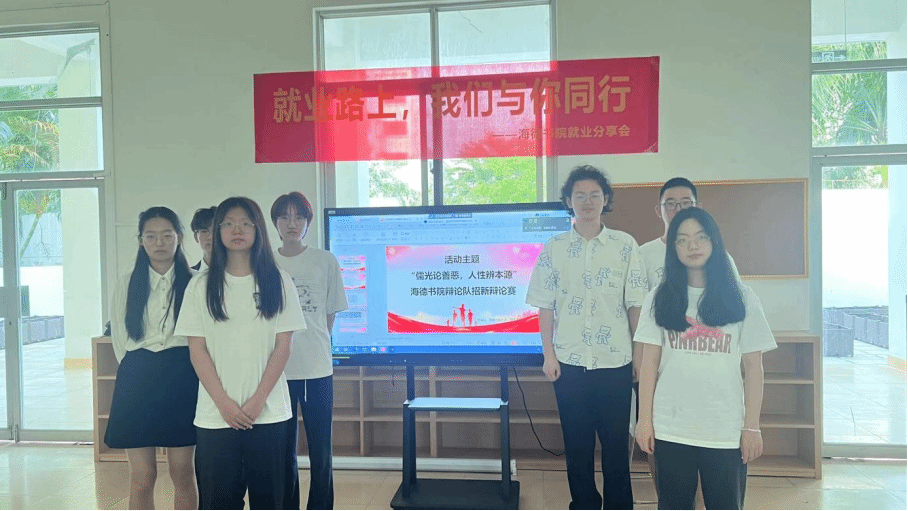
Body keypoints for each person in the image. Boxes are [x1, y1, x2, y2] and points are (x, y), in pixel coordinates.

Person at [634, 207, 776, 510]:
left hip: (725, 430)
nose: (693, 246)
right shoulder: (659, 298)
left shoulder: (742, 297)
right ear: (673, 248)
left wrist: (751, 427)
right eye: (682, 240)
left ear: (714, 241)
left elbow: (754, 367)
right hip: (671, 428)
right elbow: (648, 365)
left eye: (701, 237)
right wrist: (644, 421)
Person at [527, 164, 647, 510]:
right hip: (569, 364)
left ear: (606, 199)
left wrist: (638, 358)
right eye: (579, 195)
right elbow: (545, 306)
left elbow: (635, 305)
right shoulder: (554, 247)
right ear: (569, 201)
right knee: (577, 446)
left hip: (615, 362)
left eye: (595, 194)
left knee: (615, 447)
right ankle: (583, 504)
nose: (588, 201)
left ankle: (619, 506)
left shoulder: (625, 245)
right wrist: (549, 355)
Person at [174, 197, 307, 510]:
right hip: (216, 417)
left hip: (269, 414)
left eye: (246, 223)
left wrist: (258, 400)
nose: (238, 230)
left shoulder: (278, 281)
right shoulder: (200, 286)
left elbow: (283, 346)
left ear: (258, 229)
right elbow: (197, 351)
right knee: (218, 503)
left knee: (271, 502)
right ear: (217, 230)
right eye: (229, 223)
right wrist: (224, 404)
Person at [105, 206, 198, 509]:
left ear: (179, 237)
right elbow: (120, 339)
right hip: (137, 378)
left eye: (167, 235)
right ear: (141, 240)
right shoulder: (127, 282)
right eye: (151, 236)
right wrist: (138, 367)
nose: (159, 242)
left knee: (183, 472)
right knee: (142, 476)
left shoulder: (196, 282)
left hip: (182, 375)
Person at [271, 191, 348, 510]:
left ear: (308, 222)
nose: (292, 223)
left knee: (321, 450)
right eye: (285, 216)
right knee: (282, 451)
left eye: (299, 216)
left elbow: (329, 315)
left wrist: (312, 344)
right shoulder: (265, 261)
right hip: (277, 371)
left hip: (317, 369)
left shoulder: (325, 260)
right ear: (275, 222)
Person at [639, 177, 739, 290]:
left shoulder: (716, 254)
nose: (679, 209)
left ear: (698, 208)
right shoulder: (642, 255)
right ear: (658, 211)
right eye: (671, 204)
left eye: (686, 203)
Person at [190, 206, 217, 271]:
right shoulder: (188, 275)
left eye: (215, 231)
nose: (210, 237)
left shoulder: (238, 272)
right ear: (196, 237)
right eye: (204, 231)